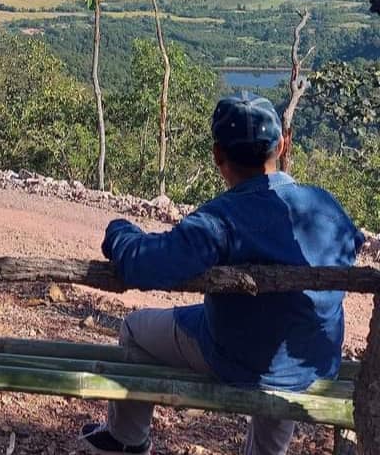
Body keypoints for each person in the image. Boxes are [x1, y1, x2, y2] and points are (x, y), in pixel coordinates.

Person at [79, 91, 365, 455]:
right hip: (314, 359)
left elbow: (144, 264)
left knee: (133, 328)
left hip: (235, 355)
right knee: (285, 326)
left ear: (217, 156)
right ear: (283, 144)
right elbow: (352, 243)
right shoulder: (324, 205)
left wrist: (119, 230)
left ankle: (126, 439)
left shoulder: (220, 218)